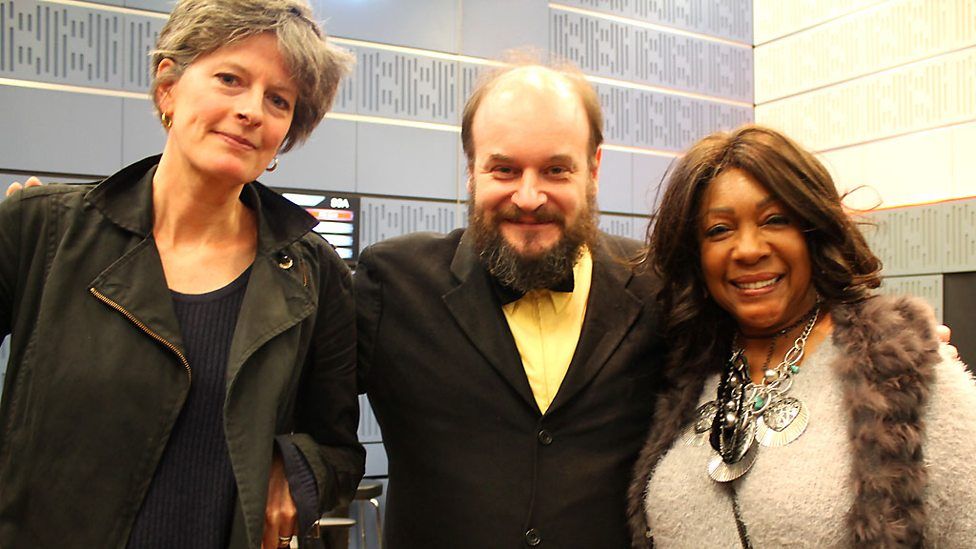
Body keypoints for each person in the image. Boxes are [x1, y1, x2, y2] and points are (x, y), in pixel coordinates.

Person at [0, 1, 364, 547]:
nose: (252, 111)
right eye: (229, 79)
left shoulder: (314, 274)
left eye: (278, 100)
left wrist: (295, 472)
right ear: (168, 86)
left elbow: (338, 449)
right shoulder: (43, 229)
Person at [355, 63, 665, 547]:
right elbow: (299, 405)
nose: (528, 196)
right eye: (505, 169)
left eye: (556, 170)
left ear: (594, 169)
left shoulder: (656, 286)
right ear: (471, 171)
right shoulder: (393, 284)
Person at [627, 125, 976, 547]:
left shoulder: (900, 373)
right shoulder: (686, 369)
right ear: (695, 253)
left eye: (775, 220)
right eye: (719, 229)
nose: (749, 249)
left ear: (814, 230)